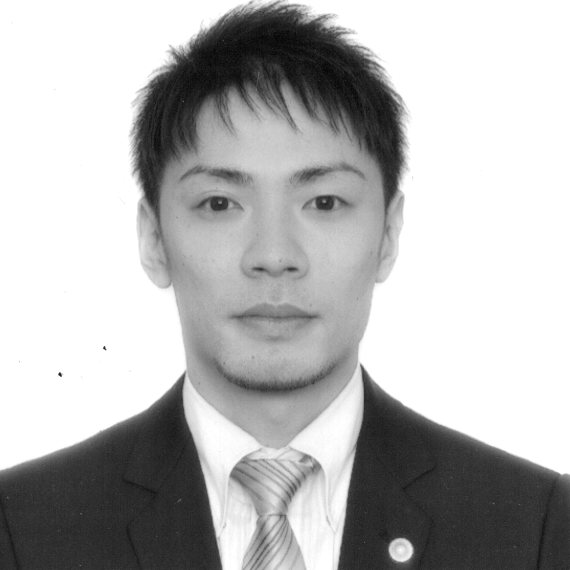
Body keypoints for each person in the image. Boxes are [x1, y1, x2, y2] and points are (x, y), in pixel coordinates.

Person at [0, 2, 568, 568]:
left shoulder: (535, 525)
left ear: (388, 234)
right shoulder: (25, 529)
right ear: (153, 238)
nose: (274, 256)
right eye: (219, 203)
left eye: (324, 202)